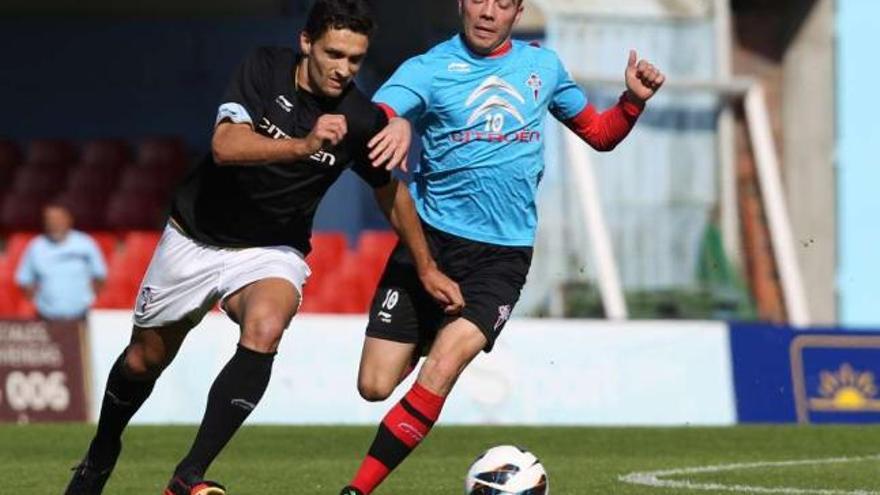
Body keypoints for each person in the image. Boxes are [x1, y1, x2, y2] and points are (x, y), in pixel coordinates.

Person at [64, 1, 463, 494]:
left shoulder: (359, 118)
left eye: (355, 59)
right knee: (144, 360)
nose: (343, 68)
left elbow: (393, 195)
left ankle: (187, 477)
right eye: (334, 53)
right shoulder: (263, 69)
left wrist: (425, 267)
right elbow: (225, 146)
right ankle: (102, 453)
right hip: (195, 236)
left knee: (267, 326)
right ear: (306, 43)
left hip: (273, 248)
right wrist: (303, 145)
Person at [339, 0, 666, 494]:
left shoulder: (543, 67)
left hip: (501, 257)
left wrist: (632, 102)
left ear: (517, 11)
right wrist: (398, 122)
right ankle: (425, 335)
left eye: (502, 2)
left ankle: (356, 490)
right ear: (460, 4)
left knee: (442, 368)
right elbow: (374, 116)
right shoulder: (427, 68)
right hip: (428, 246)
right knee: (375, 386)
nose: (488, 11)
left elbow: (599, 135)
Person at [15, 201, 106, 322]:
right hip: (46, 317)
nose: (54, 223)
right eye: (49, 220)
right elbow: (25, 280)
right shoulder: (36, 246)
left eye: (58, 219)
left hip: (81, 317)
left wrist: (90, 299)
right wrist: (37, 302)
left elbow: (99, 275)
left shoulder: (85, 243)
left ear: (69, 220)